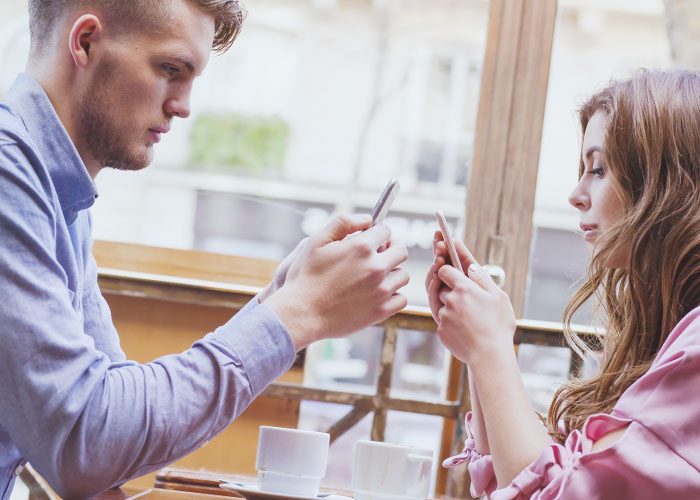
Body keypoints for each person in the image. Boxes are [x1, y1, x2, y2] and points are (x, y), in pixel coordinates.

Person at [0, 0, 410, 497]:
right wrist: (297, 313)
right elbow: (86, 442)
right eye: (171, 70)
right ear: (85, 42)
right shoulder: (9, 177)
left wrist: (286, 295)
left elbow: (116, 435)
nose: (183, 106)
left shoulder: (59, 192)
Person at [426, 69, 700, 499]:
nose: (576, 193)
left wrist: (491, 347)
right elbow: (526, 482)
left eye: (599, 169)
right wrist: (481, 353)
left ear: (668, 182)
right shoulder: (670, 331)